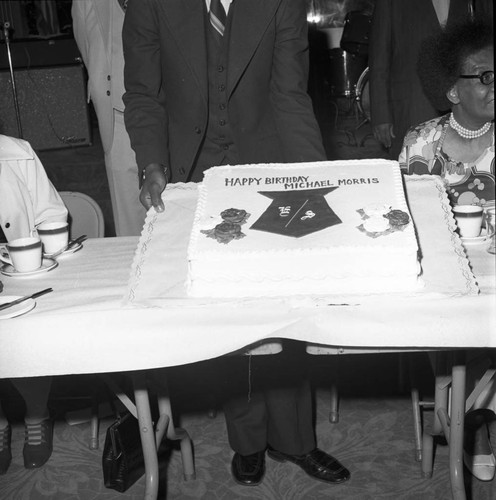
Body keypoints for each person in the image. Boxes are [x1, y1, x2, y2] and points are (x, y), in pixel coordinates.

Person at [122, 0, 350, 487]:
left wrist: (313, 178)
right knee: (228, 315)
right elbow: (143, 94)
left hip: (267, 164)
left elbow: (290, 95)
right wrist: (151, 163)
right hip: (190, 173)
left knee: (282, 307)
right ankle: (247, 443)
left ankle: (296, 442)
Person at [399, 19, 495, 481]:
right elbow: (405, 223)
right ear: (452, 91)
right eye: (486, 77)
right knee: (465, 338)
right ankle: (473, 426)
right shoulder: (420, 143)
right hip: (446, 283)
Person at [0, 134, 64, 473]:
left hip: (19, 272)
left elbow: (51, 212)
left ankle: (38, 414)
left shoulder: (17, 151)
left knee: (30, 329)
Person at [71, 0, 146, 237]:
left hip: (171, 109)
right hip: (117, 112)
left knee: (177, 204)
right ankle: (134, 269)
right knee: (128, 214)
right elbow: (85, 42)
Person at [368, 0, 472, 159]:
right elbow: (379, 58)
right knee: (414, 171)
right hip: (412, 105)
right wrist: (381, 115)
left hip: (459, 106)